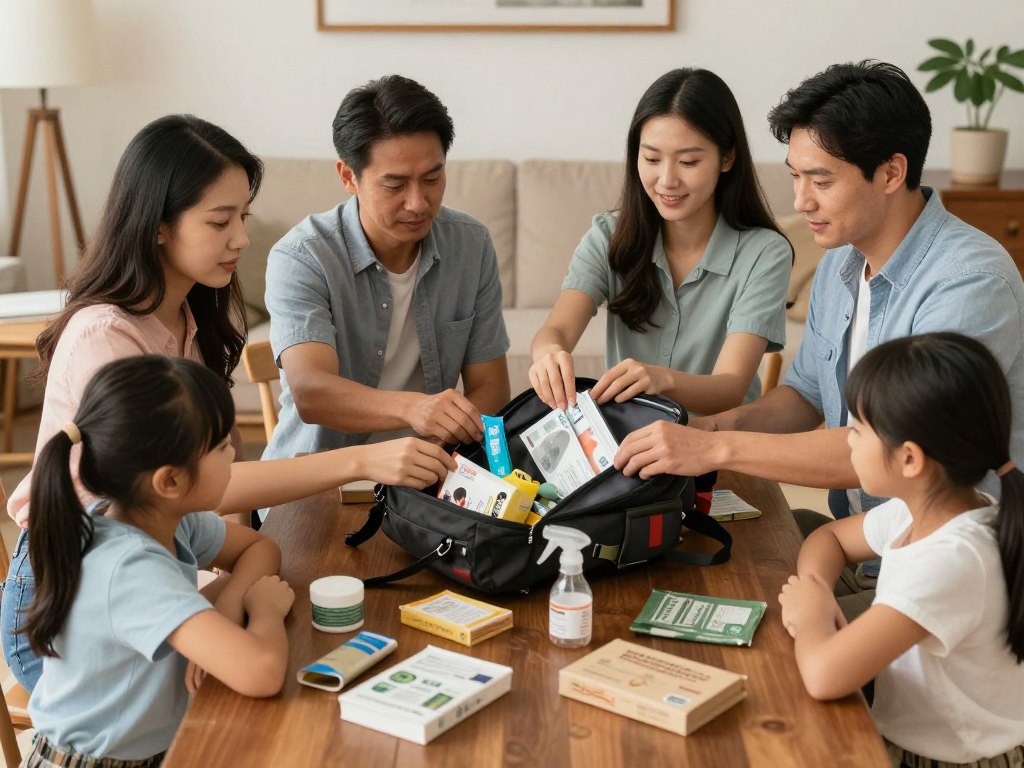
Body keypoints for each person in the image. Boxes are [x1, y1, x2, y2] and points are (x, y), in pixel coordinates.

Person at [2, 114, 455, 693]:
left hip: (160, 570)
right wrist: (362, 460)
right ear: (159, 227)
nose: (241, 238)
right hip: (66, 605)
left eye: (242, 216)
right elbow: (206, 484)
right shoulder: (105, 336)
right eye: (221, 221)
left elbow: (222, 485)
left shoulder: (193, 318)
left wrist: (230, 592)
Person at [615, 61, 1024, 593]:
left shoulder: (969, 282)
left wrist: (715, 450)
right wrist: (711, 428)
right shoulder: (842, 260)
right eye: (795, 175)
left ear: (891, 173)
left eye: (821, 180)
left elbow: (895, 452)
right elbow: (805, 393)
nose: (800, 201)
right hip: (863, 543)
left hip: (948, 574)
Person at [22, 355, 296, 766]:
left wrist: (229, 601)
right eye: (222, 448)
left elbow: (260, 548)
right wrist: (265, 610)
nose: (235, 456)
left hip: (151, 751)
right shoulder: (131, 569)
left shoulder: (159, 519)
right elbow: (261, 672)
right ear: (169, 481)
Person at [778, 333, 1024, 767]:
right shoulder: (926, 511)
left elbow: (823, 675)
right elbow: (829, 538)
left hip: (948, 760)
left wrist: (812, 613)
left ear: (910, 459)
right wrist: (815, 584)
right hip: (912, 738)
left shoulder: (952, 561)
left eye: (856, 429)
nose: (847, 440)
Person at [262, 74, 510, 466]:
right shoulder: (303, 256)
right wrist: (414, 410)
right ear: (348, 177)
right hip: (320, 477)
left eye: (432, 178)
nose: (418, 203)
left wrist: (441, 452)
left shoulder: (470, 244)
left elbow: (492, 388)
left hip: (429, 474)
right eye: (395, 185)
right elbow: (312, 392)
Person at [530, 68, 792, 416]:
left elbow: (729, 387)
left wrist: (661, 380)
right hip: (630, 445)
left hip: (719, 447)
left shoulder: (764, 253)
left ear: (727, 158)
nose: (667, 180)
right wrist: (549, 352)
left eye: (688, 161)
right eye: (651, 159)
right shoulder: (609, 236)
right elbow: (557, 330)